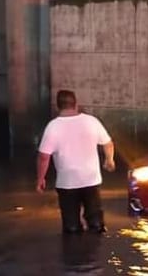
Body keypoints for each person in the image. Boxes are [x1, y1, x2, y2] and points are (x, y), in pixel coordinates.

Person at [37, 90, 116, 234]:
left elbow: (43, 157)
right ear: (76, 104)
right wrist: (109, 160)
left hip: (67, 182)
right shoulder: (91, 121)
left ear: (58, 106)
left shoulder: (53, 127)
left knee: (71, 227)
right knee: (96, 224)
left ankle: (74, 253)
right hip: (91, 179)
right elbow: (108, 143)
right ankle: (96, 253)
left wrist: (41, 179)